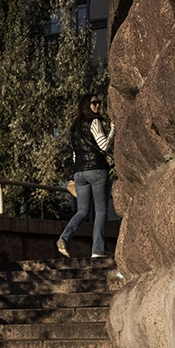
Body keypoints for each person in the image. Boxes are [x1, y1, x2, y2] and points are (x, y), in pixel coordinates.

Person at [57, 94, 115, 258]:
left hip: (79, 173)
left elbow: (75, 156)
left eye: (99, 103)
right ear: (85, 106)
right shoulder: (94, 122)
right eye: (94, 103)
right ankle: (97, 250)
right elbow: (103, 146)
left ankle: (64, 238)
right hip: (96, 170)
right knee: (101, 211)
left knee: (82, 210)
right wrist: (113, 130)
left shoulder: (75, 128)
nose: (97, 106)